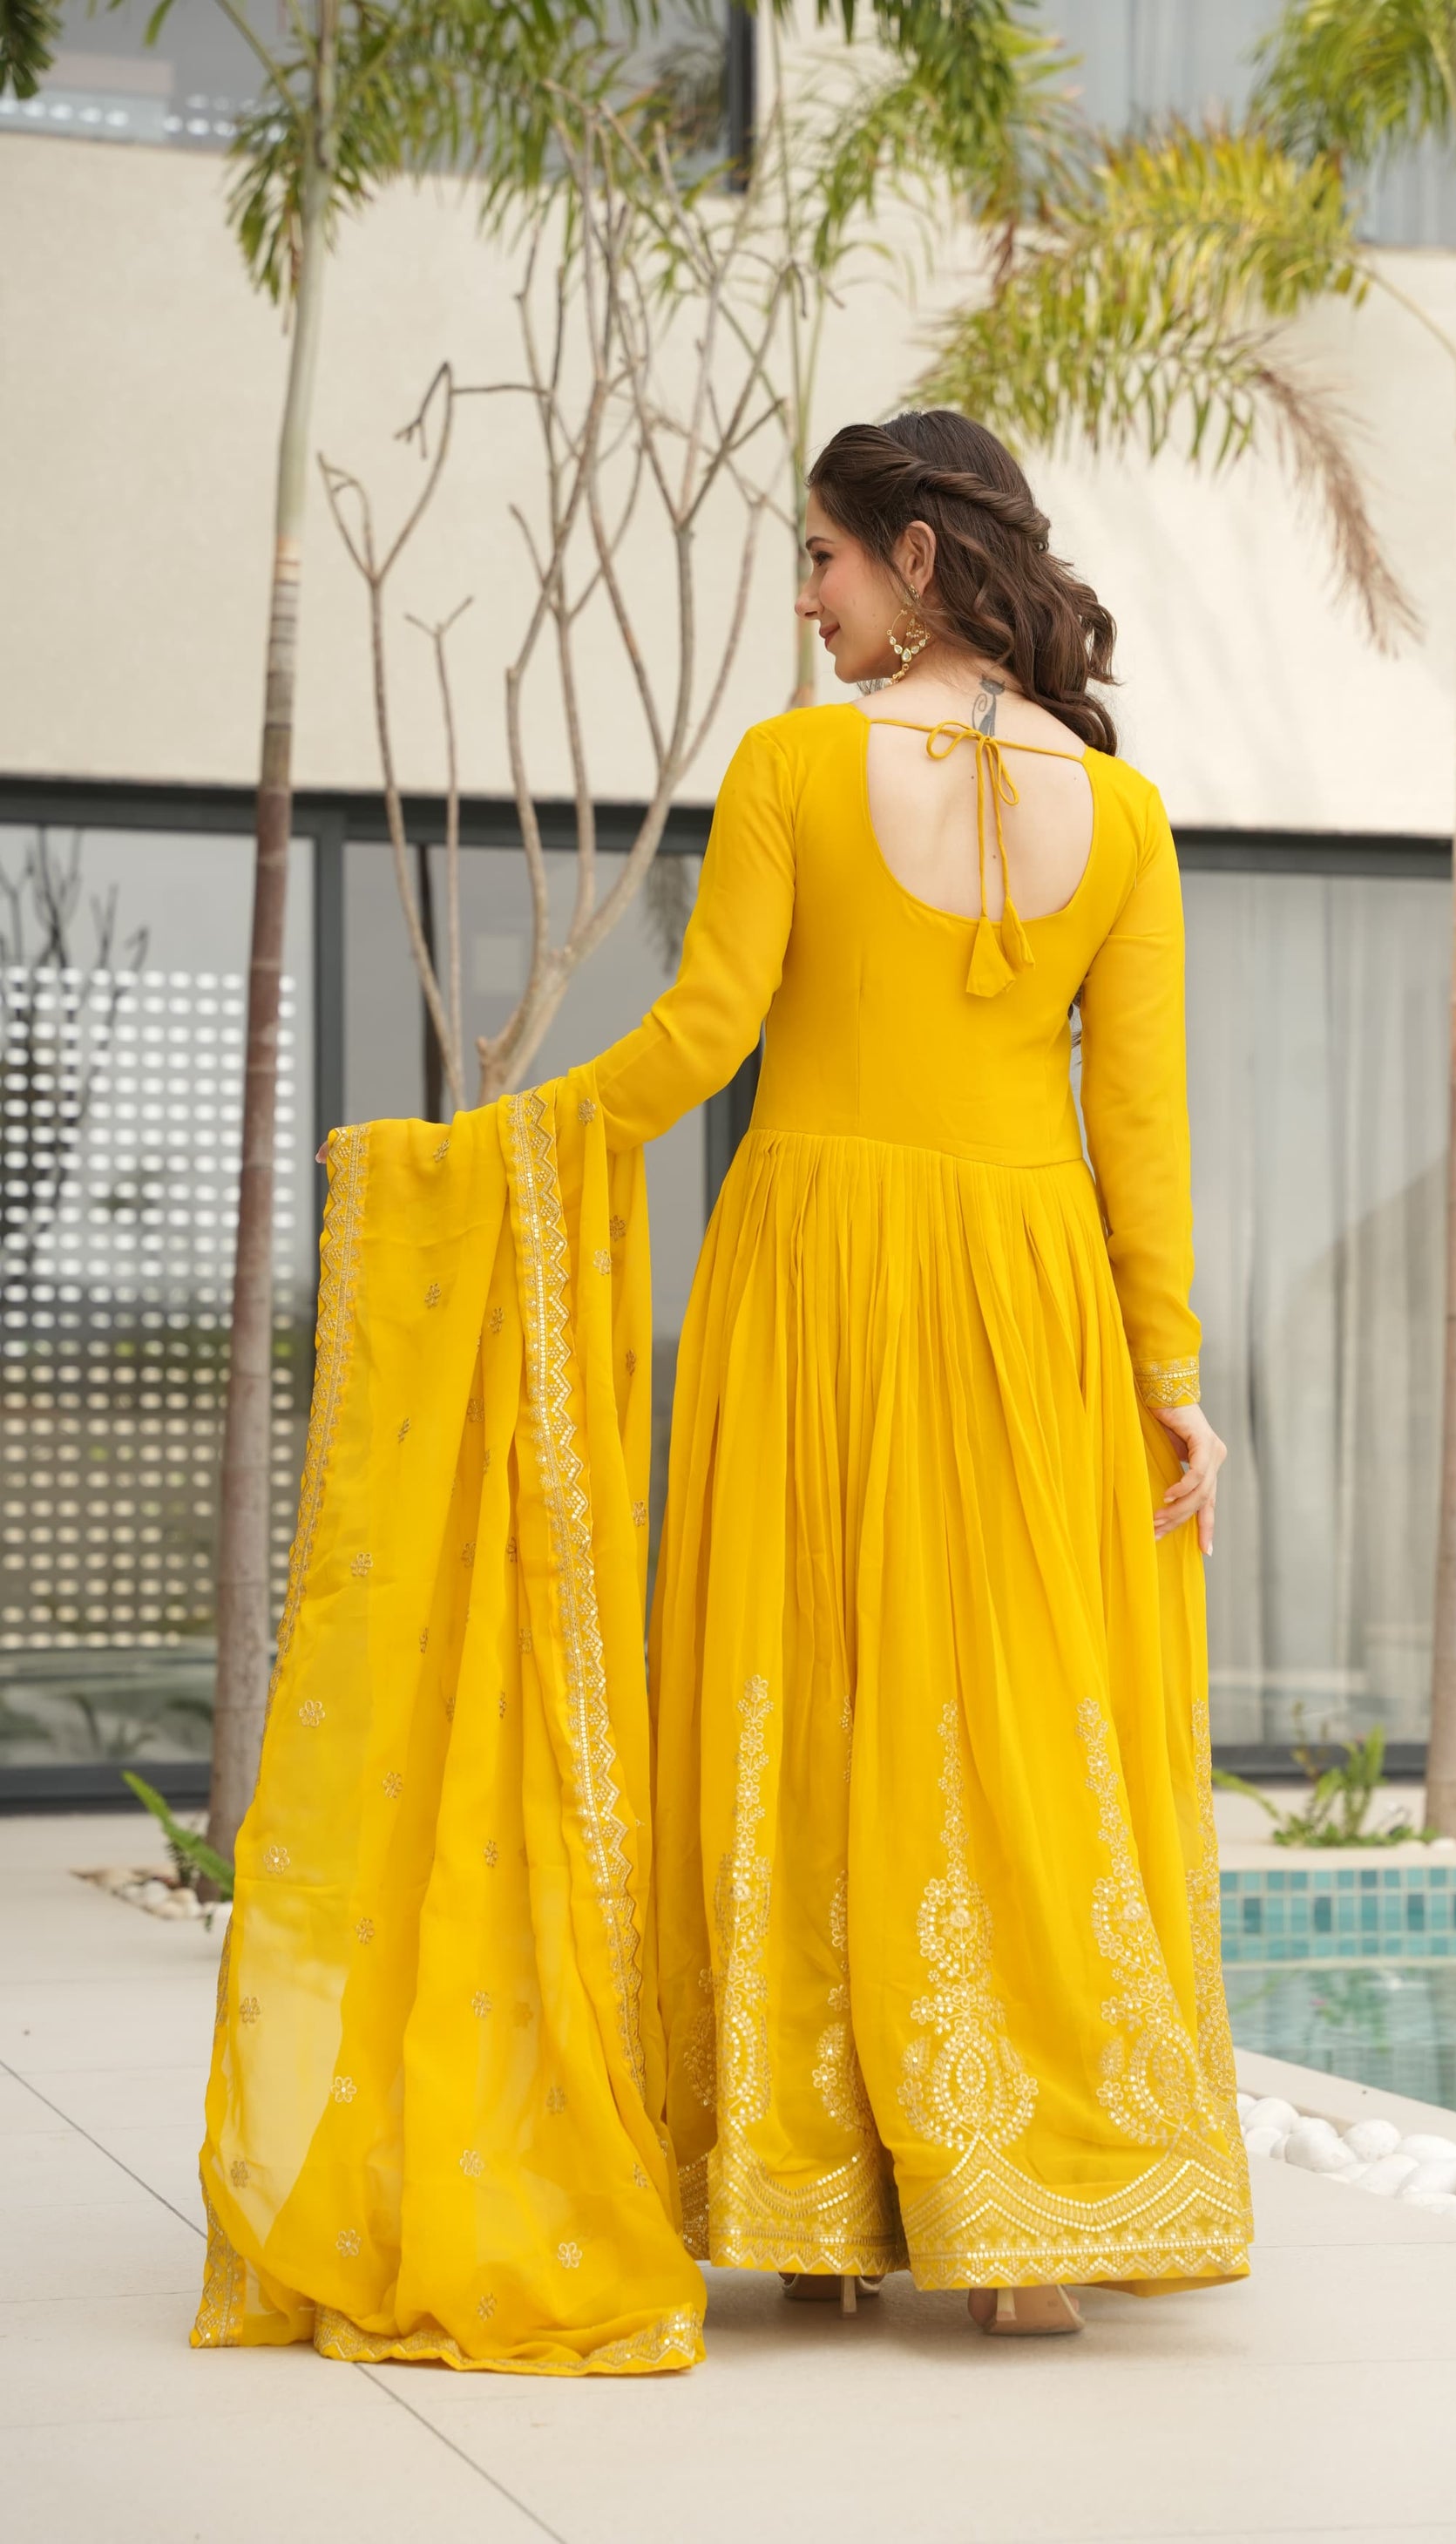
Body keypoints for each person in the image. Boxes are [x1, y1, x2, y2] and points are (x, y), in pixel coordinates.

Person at [198, 409, 1249, 2378]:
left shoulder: (792, 766)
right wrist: (1167, 1373)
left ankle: (811, 2202)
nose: (807, 597)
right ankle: (1019, 2223)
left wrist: (490, 1151)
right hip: (1029, 1291)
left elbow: (699, 1035)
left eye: (825, 558)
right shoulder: (1123, 812)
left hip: (818, 1266)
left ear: (914, 560)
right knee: (1008, 1713)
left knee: (802, 1693)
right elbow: (1141, 1128)